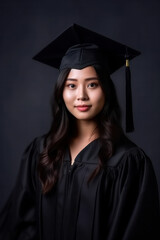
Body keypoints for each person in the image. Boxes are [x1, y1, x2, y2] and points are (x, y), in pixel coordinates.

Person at [0, 24, 160, 240]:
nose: (81, 96)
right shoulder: (40, 152)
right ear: (61, 91)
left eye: (92, 84)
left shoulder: (128, 162)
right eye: (71, 85)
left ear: (106, 89)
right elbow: (18, 226)